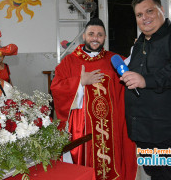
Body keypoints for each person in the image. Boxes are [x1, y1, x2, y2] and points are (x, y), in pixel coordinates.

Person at [51, 18, 137, 180]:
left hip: (111, 128)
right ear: (84, 36)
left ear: (105, 37)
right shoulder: (69, 61)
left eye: (99, 35)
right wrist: (80, 83)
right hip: (82, 129)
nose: (95, 38)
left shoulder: (115, 60)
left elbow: (131, 81)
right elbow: (56, 88)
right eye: (91, 34)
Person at [120, 0, 171, 179]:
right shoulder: (140, 41)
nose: (144, 18)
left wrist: (145, 80)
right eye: (139, 15)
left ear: (161, 10)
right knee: (154, 172)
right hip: (142, 130)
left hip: (164, 131)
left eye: (149, 11)